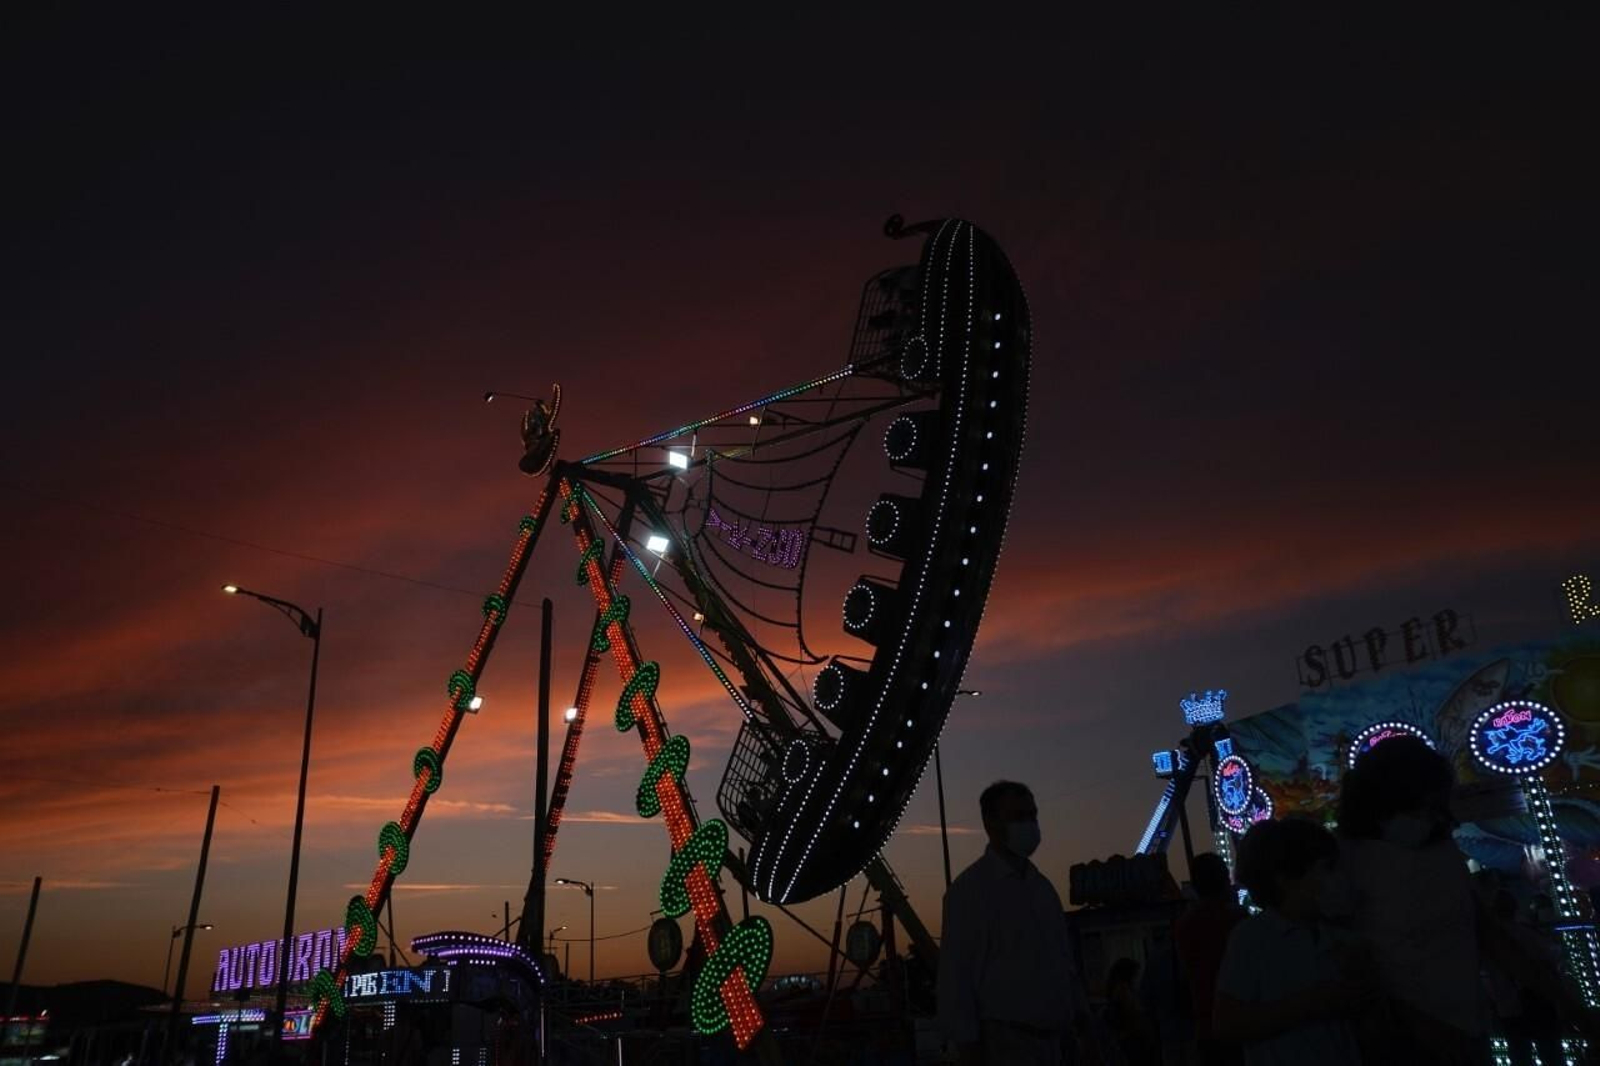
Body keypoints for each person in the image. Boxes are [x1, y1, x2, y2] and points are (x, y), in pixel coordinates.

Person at [938, 780, 1091, 1066]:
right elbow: (956, 977)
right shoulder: (969, 892)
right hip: (1005, 1043)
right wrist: (968, 1046)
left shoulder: (1042, 888)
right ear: (990, 823)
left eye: (1032, 816)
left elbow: (1063, 962)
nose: (1030, 825)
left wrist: (1082, 1024)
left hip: (1058, 1041)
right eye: (1019, 817)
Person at [1214, 818, 1368, 1066]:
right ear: (1285, 879)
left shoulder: (1339, 934)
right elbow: (1226, 1023)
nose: (1338, 878)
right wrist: (1313, 1002)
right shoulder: (1252, 938)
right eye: (1326, 868)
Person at [1175, 853, 1246, 1066]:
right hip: (1243, 1024)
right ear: (1224, 879)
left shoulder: (1184, 925)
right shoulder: (1238, 921)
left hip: (1206, 1027)